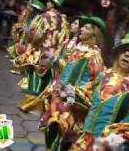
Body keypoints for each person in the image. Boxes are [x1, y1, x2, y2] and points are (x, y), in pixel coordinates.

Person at [70, 29, 129, 150]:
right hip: (84, 142)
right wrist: (71, 94)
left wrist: (113, 140)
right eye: (123, 50)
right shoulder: (107, 75)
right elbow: (88, 99)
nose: (126, 54)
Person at [37, 16, 107, 150]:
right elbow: (65, 69)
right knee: (52, 132)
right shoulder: (78, 49)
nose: (81, 28)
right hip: (58, 97)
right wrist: (53, 61)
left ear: (94, 34)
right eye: (83, 26)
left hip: (73, 105)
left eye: (86, 27)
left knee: (63, 137)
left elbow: (95, 85)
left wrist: (71, 93)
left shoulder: (94, 56)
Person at [15, 0, 69, 113]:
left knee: (35, 79)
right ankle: (43, 106)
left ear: (52, 4)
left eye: (49, 1)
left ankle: (30, 105)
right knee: (47, 80)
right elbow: (65, 38)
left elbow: (34, 34)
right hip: (55, 54)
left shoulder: (44, 16)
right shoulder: (64, 20)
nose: (47, 3)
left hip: (41, 51)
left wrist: (31, 43)